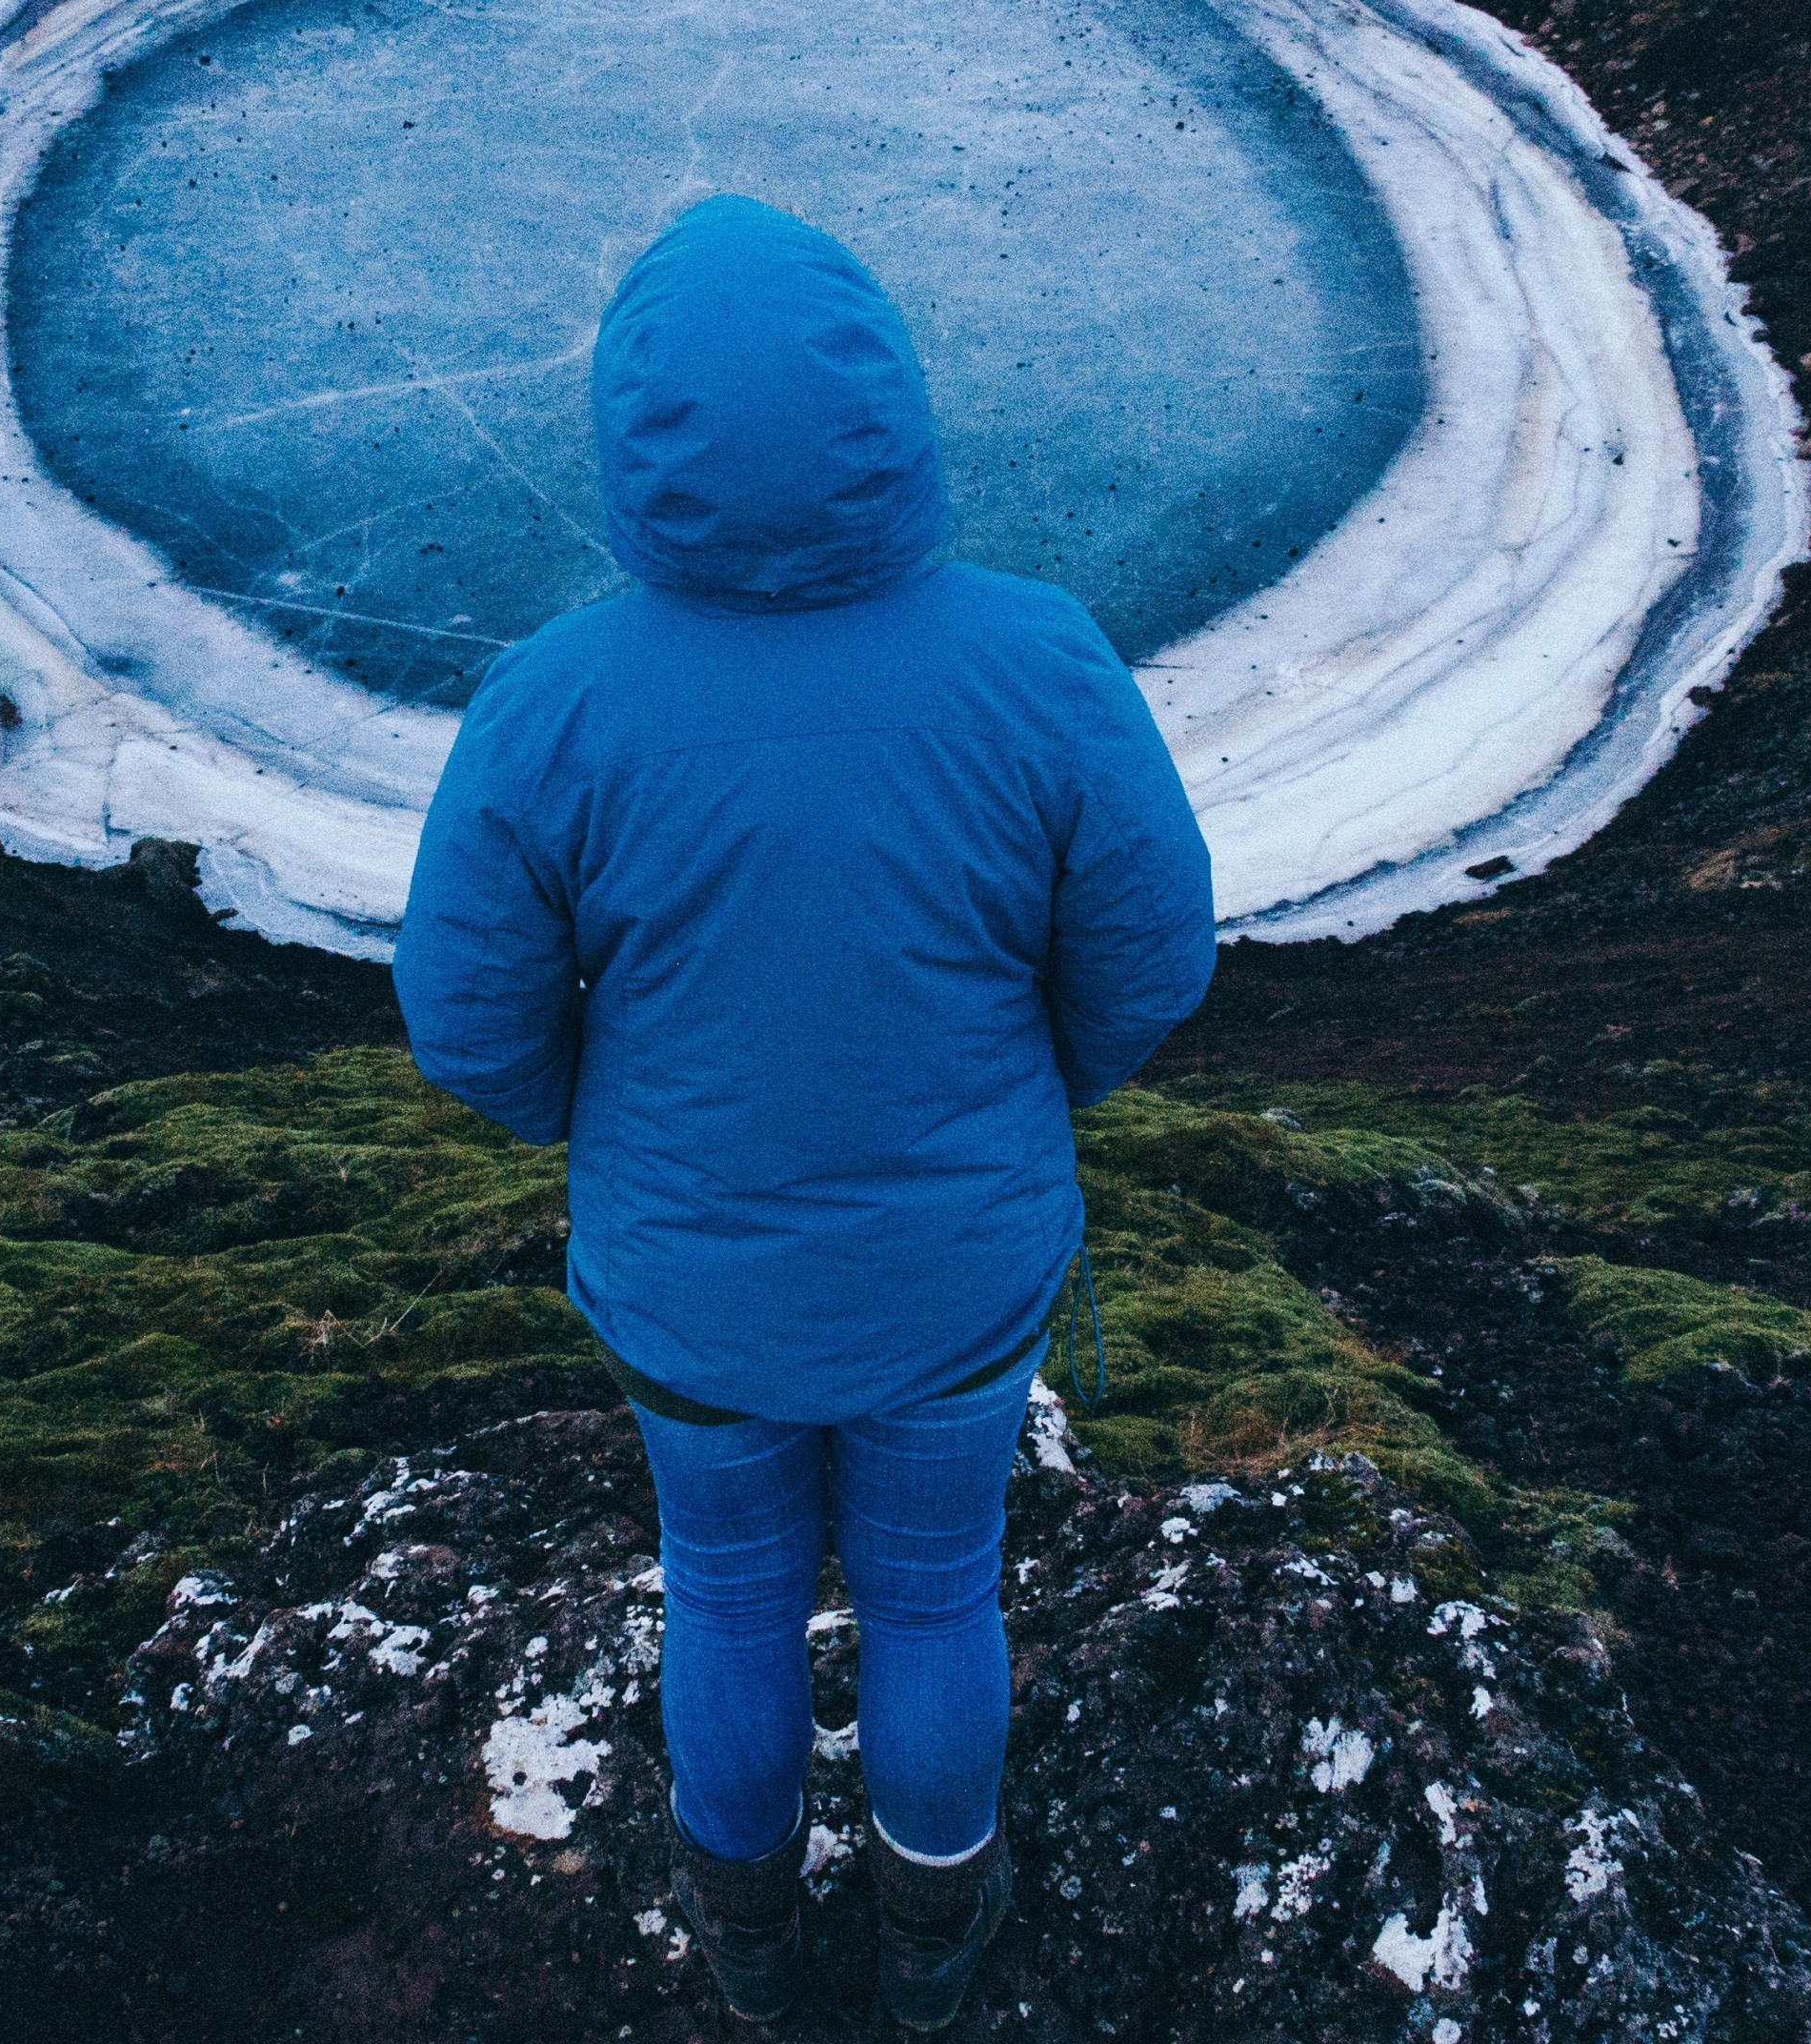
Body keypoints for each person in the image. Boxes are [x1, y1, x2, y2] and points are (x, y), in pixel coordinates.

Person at [392, 194, 1214, 2030]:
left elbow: (465, 1026)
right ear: (891, 412)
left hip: (694, 1297)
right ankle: (935, 1950)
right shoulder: (1044, 661)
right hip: (959, 1281)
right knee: (937, 1600)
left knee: (732, 1596)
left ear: (633, 437)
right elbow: (1153, 963)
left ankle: (753, 1952)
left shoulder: (551, 708)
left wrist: (604, 1128)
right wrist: (1025, 1094)